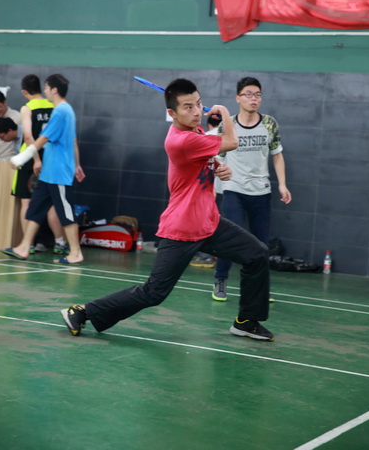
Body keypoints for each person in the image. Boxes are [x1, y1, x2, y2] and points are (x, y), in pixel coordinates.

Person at [60, 78, 274, 342]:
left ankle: (246, 321)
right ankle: (82, 312)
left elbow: (205, 158)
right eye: (188, 107)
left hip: (209, 223)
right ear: (172, 113)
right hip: (182, 228)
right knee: (154, 292)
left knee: (257, 254)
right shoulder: (181, 140)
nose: (196, 111)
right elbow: (231, 142)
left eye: (198, 104)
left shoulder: (195, 130)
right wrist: (226, 114)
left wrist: (219, 167)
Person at [212, 76, 292, 302]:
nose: (253, 98)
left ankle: (260, 288)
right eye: (248, 94)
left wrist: (282, 185)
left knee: (261, 244)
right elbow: (217, 157)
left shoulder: (270, 124)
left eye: (257, 95)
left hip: (261, 191)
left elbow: (277, 155)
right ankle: (220, 279)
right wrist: (216, 183)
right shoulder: (228, 125)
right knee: (230, 238)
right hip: (234, 189)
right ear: (238, 98)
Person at [1, 74, 85, 265]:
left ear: (54, 89)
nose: (44, 90)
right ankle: (24, 247)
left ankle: (75, 253)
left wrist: (22, 157)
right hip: (48, 173)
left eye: (46, 87)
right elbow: (72, 141)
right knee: (35, 208)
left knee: (66, 213)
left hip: (59, 173)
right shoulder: (61, 110)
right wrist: (78, 164)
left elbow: (43, 138)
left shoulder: (62, 111)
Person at [13, 74, 68, 255]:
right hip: (51, 158)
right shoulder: (53, 106)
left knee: (26, 202)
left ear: (24, 92)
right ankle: (59, 243)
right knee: (52, 203)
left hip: (31, 158)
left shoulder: (27, 108)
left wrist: (36, 159)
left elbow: (28, 136)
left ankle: (28, 244)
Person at [189, 114, 223, 268]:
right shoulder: (226, 136)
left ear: (209, 124)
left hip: (210, 188)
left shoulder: (205, 137)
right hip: (228, 187)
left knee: (204, 223)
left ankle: (205, 256)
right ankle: (215, 255)